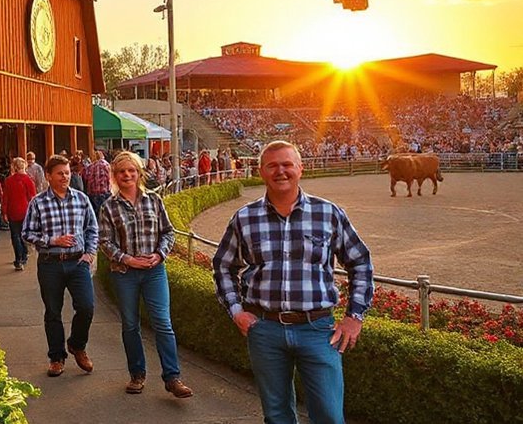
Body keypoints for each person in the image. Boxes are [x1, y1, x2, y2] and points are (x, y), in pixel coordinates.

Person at [212, 140, 374, 424]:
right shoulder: (245, 218)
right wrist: (236, 311)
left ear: (301, 169)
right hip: (265, 329)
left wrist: (354, 317)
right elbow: (223, 266)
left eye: (287, 165)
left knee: (329, 416)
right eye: (272, 166)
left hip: (318, 329)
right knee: (276, 415)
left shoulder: (328, 214)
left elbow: (359, 262)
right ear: (261, 171)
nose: (281, 171)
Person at [98, 151, 193, 399]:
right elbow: (105, 241)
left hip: (154, 272)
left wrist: (160, 254)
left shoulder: (154, 200)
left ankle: (172, 378)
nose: (127, 175)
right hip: (125, 273)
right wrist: (126, 259)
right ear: (115, 176)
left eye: (131, 170)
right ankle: (137, 375)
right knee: (130, 325)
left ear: (139, 173)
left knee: (163, 323)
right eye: (121, 172)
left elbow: (169, 232)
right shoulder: (109, 206)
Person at [22, 154, 98, 378]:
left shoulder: (82, 199)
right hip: (50, 264)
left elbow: (92, 228)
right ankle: (56, 358)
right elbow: (27, 232)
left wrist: (90, 253)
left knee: (86, 307)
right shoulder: (38, 202)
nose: (65, 177)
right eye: (60, 173)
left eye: (67, 173)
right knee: (53, 312)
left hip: (77, 263)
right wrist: (52, 240)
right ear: (48, 176)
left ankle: (77, 344)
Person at [1, 157, 36, 271]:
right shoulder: (28, 180)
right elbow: (32, 198)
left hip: (12, 212)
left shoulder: (8, 181)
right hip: (25, 211)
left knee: (15, 236)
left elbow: (5, 198)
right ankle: (23, 254)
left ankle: (19, 258)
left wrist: (4, 212)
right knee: (23, 235)